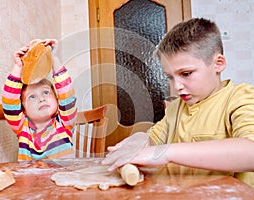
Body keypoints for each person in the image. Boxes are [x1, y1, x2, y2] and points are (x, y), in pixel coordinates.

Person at [102, 18, 254, 187]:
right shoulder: (176, 108)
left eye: (186, 73)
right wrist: (138, 140)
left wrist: (168, 153)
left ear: (218, 64)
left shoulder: (240, 98)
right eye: (170, 77)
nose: (177, 87)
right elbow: (153, 138)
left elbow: (250, 152)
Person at [2, 39, 77, 160]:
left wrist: (53, 58)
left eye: (46, 92)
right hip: (30, 179)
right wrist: (18, 66)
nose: (41, 99)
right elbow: (9, 102)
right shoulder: (22, 127)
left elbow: (67, 92)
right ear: (23, 109)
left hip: (62, 178)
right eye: (32, 96)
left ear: (57, 101)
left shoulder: (63, 123)